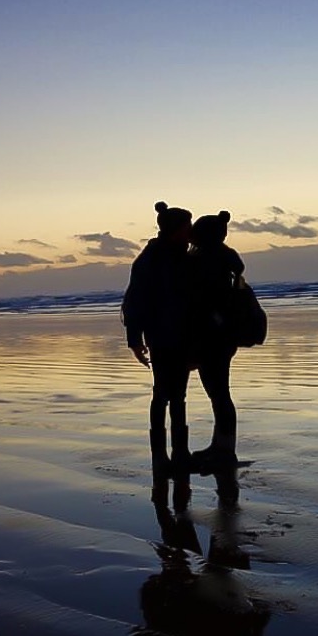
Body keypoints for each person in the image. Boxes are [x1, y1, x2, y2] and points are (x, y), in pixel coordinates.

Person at [121, 201, 194, 475]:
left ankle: (180, 452)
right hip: (161, 336)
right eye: (187, 227)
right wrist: (135, 340)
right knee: (163, 393)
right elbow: (133, 301)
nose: (190, 233)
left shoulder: (181, 255)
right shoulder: (151, 259)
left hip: (181, 334)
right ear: (176, 229)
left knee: (178, 395)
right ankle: (160, 455)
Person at [187, 211, 244, 475]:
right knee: (219, 392)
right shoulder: (226, 257)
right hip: (225, 333)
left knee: (218, 393)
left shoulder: (205, 260)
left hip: (213, 335)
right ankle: (220, 446)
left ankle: (225, 450)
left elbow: (200, 300)